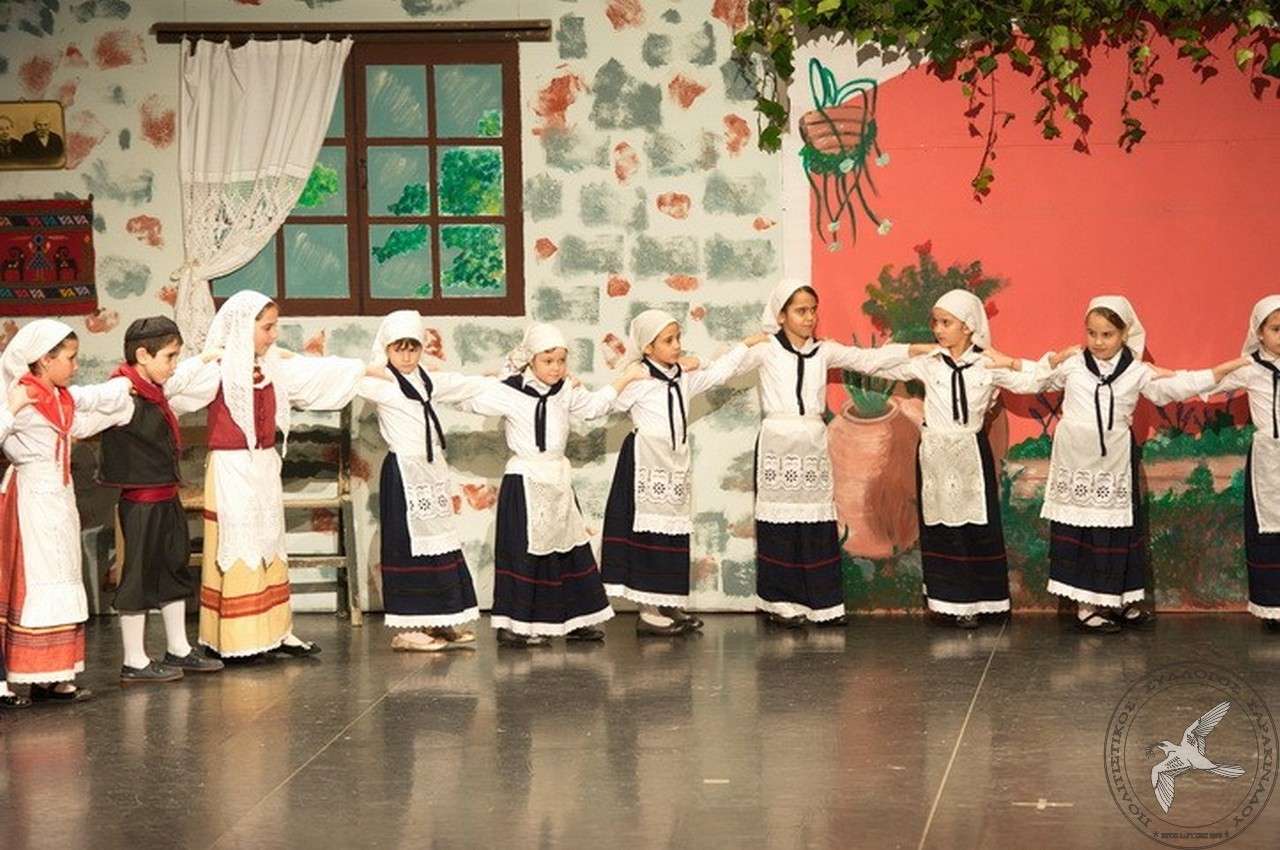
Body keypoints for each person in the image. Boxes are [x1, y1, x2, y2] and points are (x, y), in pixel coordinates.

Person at [0, 320, 133, 704]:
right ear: (45, 359)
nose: (75, 366)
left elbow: (79, 419)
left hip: (59, 499)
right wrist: (12, 406)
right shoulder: (21, 395)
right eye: (70, 358)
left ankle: (52, 676)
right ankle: (24, 673)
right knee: (36, 580)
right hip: (30, 498)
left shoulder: (57, 397)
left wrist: (123, 402)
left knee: (62, 576)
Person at [99, 317, 226, 684]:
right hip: (141, 502)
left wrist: (205, 359)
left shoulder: (155, 389)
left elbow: (182, 376)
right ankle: (134, 659)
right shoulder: (122, 393)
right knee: (138, 574)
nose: (173, 365)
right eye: (169, 357)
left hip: (166, 496)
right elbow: (87, 406)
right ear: (143, 355)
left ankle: (178, 648)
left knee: (173, 566)